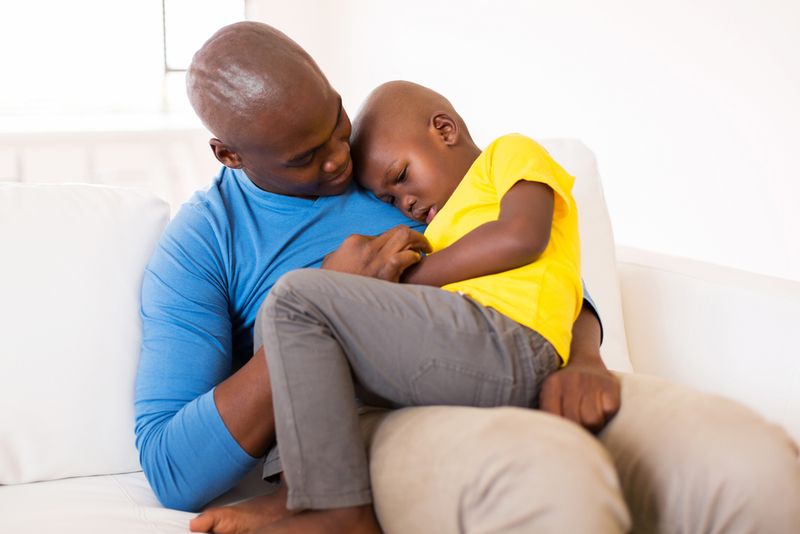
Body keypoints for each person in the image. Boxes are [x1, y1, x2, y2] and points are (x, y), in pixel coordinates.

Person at [133, 20, 800, 534]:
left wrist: (587, 356)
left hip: (531, 358)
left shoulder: (391, 161)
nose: (340, 160)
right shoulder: (205, 241)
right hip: (377, 426)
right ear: (228, 152)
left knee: (749, 464)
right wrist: (337, 293)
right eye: (308, 156)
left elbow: (523, 251)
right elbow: (171, 466)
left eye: (336, 121)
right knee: (548, 478)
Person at [243, 79, 583, 532]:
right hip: (459, 358)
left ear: (444, 130)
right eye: (390, 199)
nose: (405, 201)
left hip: (511, 341)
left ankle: (340, 512)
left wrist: (403, 281)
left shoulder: (508, 154)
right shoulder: (442, 228)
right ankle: (296, 490)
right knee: (277, 314)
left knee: (298, 294)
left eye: (401, 177)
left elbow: (521, 236)